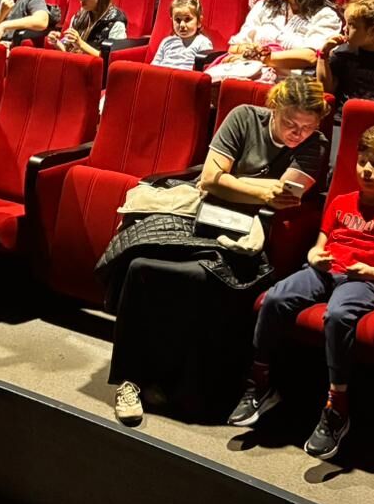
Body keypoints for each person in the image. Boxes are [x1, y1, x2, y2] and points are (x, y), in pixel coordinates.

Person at [107, 74, 328, 425]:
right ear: (274, 107)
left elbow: (284, 198)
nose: (297, 134)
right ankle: (130, 380)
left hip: (251, 233)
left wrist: (234, 183)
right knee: (140, 262)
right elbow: (210, 180)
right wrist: (255, 188)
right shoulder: (243, 117)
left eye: (306, 126)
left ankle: (176, 380)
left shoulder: (315, 145)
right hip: (203, 211)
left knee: (199, 278)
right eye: (290, 122)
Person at [231, 123, 374, 459]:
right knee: (275, 297)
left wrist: (371, 271)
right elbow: (319, 245)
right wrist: (313, 256)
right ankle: (259, 380)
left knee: (338, 314)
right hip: (325, 270)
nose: (367, 170)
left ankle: (337, 406)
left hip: (365, 281)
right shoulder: (342, 202)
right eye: (363, 161)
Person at [211, 0, 343, 83]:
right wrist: (249, 51)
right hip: (247, 74)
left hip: (289, 85)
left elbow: (311, 56)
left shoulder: (325, 15)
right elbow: (235, 46)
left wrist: (263, 58)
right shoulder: (264, 6)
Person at [49, 0, 129, 57]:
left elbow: (110, 59)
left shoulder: (115, 22)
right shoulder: (79, 17)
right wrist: (56, 42)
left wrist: (80, 44)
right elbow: (67, 50)